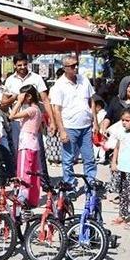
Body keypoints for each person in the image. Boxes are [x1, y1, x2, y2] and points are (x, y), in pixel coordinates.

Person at [49, 55, 97, 186]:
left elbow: (91, 101)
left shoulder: (84, 80)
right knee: (68, 159)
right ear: (64, 68)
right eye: (71, 66)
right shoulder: (59, 85)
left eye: (76, 65)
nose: (75, 68)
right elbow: (56, 109)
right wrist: (62, 130)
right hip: (70, 127)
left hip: (86, 126)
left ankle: (90, 184)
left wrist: (95, 122)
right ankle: (69, 185)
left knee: (89, 158)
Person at [9, 85, 42, 208]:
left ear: (28, 96)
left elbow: (12, 116)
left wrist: (18, 102)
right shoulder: (38, 110)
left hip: (26, 143)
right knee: (33, 173)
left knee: (23, 172)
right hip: (33, 143)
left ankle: (22, 197)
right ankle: (32, 199)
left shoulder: (31, 110)